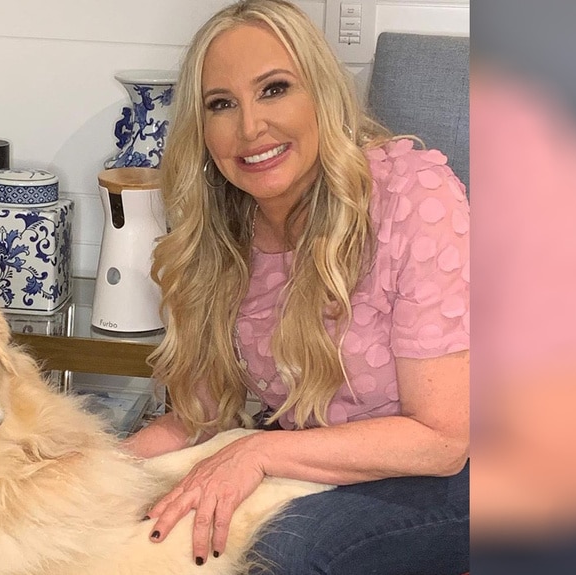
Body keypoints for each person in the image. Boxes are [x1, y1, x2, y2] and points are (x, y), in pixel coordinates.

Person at [120, 1, 470, 573]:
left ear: (322, 96)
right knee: (147, 529)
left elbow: (445, 438)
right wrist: (89, 474)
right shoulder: (225, 230)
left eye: (275, 89)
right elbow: (198, 416)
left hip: (474, 467)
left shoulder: (415, 197)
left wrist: (258, 450)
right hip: (317, 461)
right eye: (222, 104)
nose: (251, 127)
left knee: (277, 555)